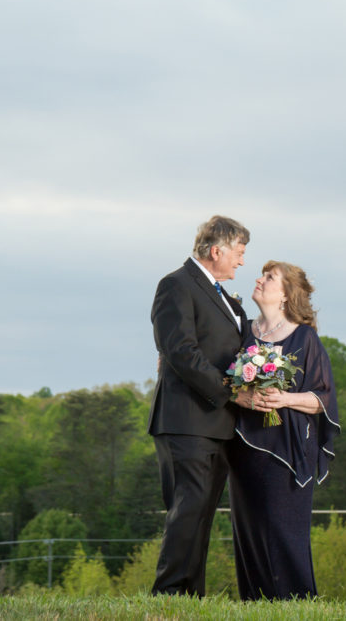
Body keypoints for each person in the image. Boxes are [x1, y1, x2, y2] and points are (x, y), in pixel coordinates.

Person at [148, 215, 249, 596]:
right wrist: (229, 391)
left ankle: (191, 597)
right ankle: (168, 595)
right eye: (239, 253)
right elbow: (180, 350)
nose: (241, 261)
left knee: (202, 515)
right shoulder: (175, 285)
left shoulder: (224, 296)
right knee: (187, 510)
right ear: (216, 250)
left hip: (218, 424)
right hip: (185, 420)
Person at [227, 260, 341, 600]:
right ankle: (255, 603)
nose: (260, 280)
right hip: (244, 447)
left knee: (282, 529)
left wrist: (285, 399)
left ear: (286, 294)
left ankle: (297, 603)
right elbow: (225, 381)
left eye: (269, 277)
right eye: (262, 275)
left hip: (288, 451)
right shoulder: (243, 332)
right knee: (248, 529)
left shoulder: (305, 338)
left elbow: (323, 399)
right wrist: (242, 394)